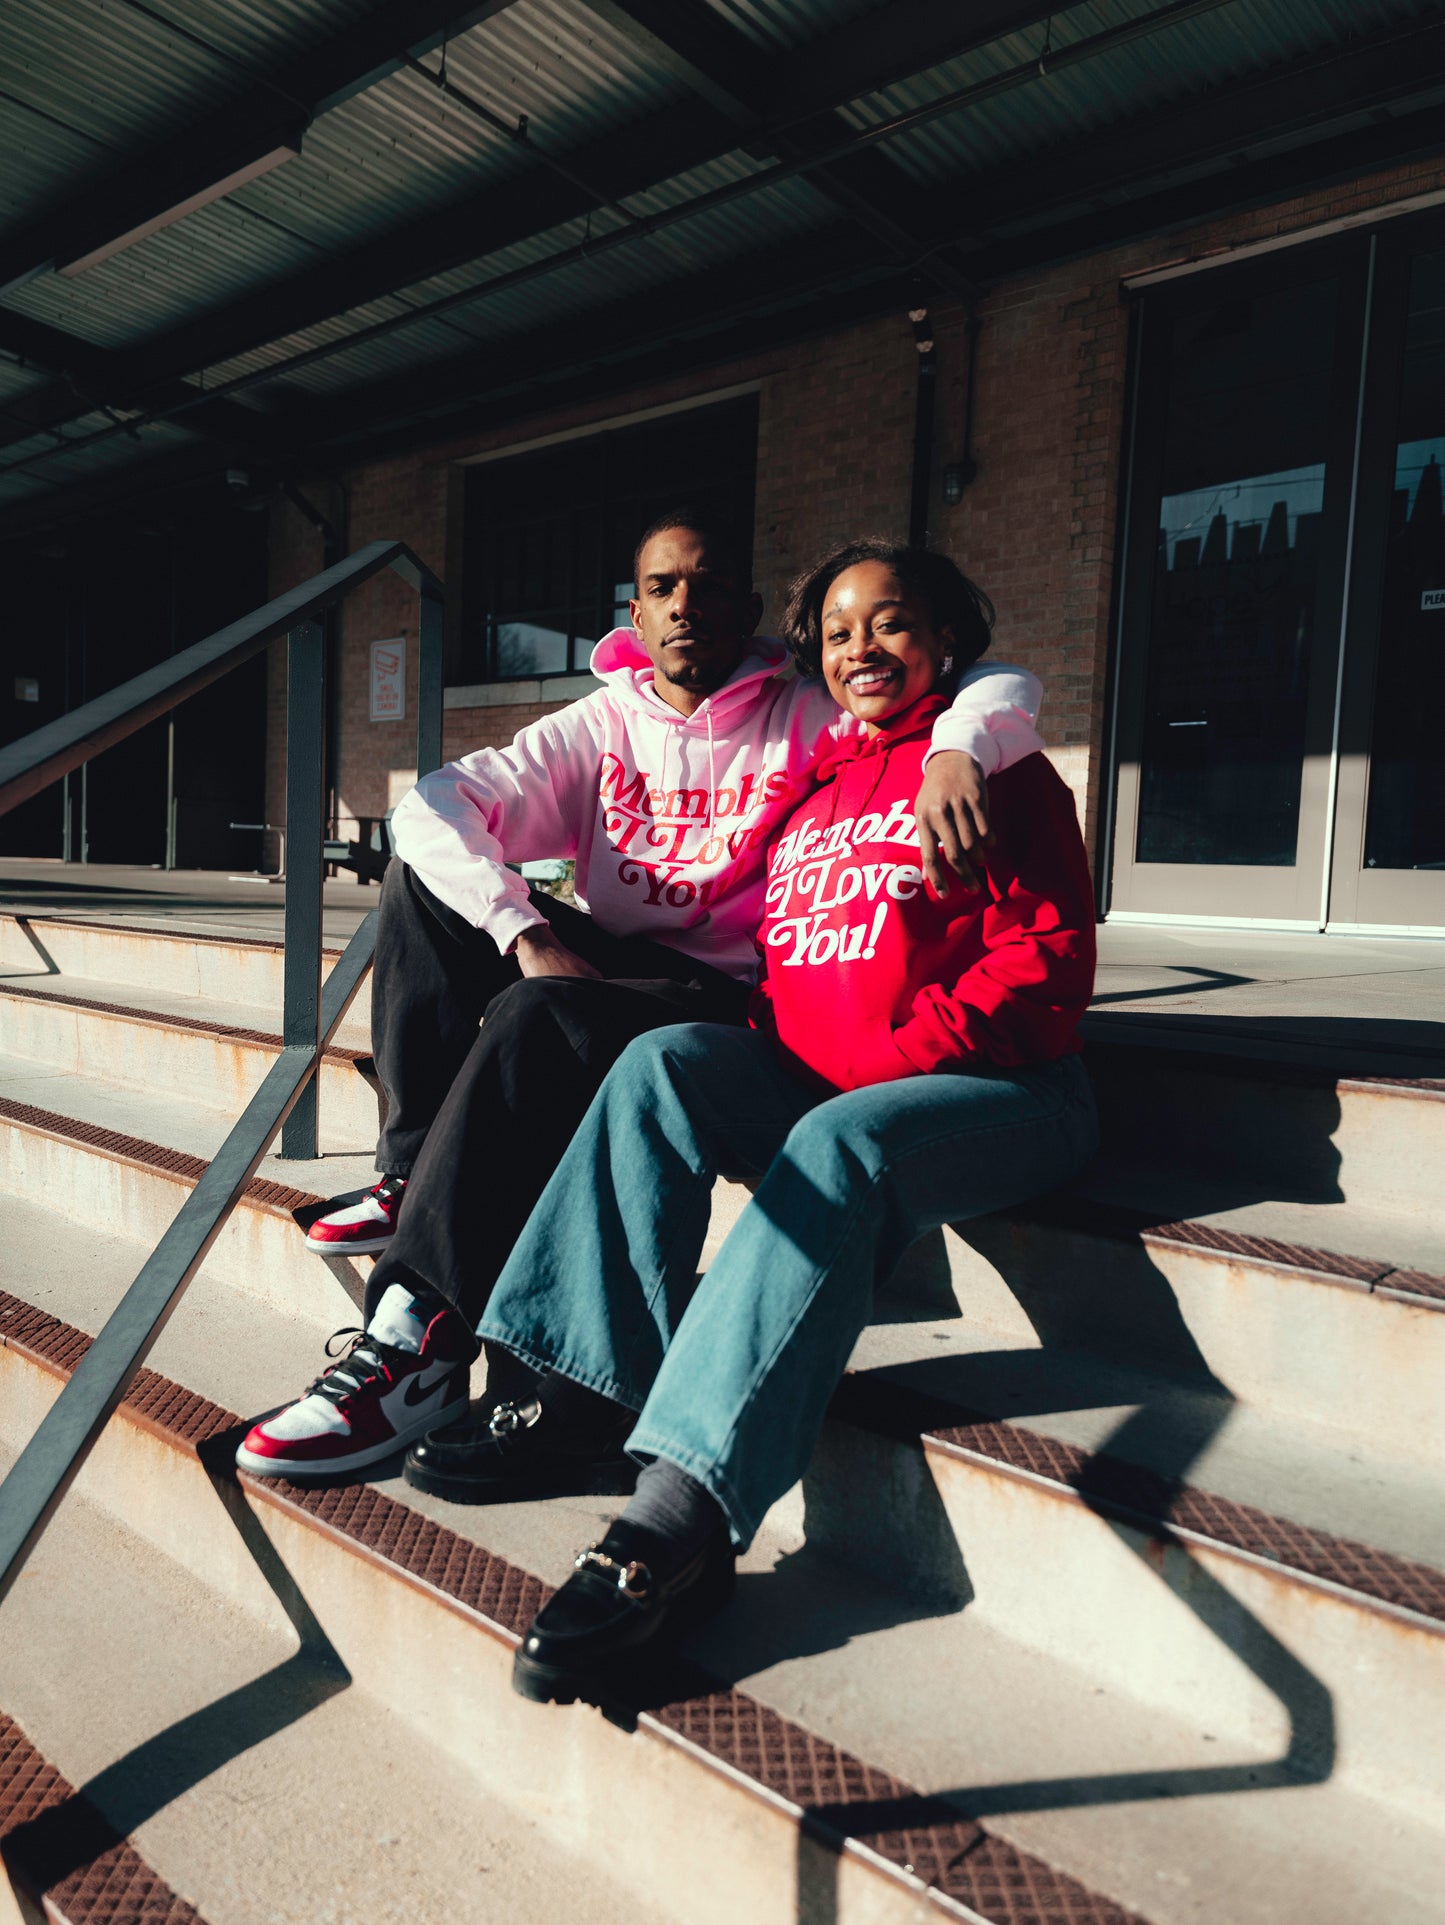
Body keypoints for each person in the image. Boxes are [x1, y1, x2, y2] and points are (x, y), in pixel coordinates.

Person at [235, 516, 1046, 1483]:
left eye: (706, 588)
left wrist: (957, 743)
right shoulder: (601, 721)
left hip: (721, 994)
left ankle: (418, 1343)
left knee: (541, 1017)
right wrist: (527, 934)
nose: (683, 606)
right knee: (425, 876)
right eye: (661, 588)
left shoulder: (802, 710)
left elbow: (991, 682)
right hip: (604, 964)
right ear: (635, 610)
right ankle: (414, 1173)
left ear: (747, 612)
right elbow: (431, 804)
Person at [452, 539, 1099, 1704]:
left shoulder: (998, 774)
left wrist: (887, 1064)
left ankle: (677, 1517)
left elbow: (1044, 969)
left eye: (891, 622)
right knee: (662, 1065)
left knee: (835, 1143)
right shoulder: (820, 784)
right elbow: (785, 948)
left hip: (1005, 1092)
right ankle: (583, 1389)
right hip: (833, 1078)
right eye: (840, 630)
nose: (861, 647)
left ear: (944, 641)